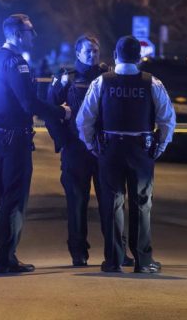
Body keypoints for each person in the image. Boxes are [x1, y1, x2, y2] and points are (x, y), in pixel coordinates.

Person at [0, 14, 71, 273]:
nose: (33, 35)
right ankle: (6, 258)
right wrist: (61, 112)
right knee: (14, 198)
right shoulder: (17, 63)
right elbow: (29, 104)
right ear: (16, 34)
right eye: (29, 30)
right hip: (15, 136)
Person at [76, 35, 176, 273]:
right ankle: (143, 260)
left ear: (115, 55)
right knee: (141, 204)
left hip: (110, 149)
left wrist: (92, 145)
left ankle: (113, 260)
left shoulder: (102, 82)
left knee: (112, 204)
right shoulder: (153, 83)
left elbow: (84, 119)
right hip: (141, 149)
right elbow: (167, 120)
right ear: (139, 57)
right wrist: (159, 147)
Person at [46, 34, 128, 267]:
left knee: (111, 203)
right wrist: (64, 141)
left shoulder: (109, 77)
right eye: (88, 51)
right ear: (78, 53)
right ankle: (78, 252)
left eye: (95, 50)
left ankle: (116, 251)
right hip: (76, 151)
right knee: (77, 203)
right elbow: (51, 113)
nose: (92, 54)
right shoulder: (66, 78)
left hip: (103, 151)